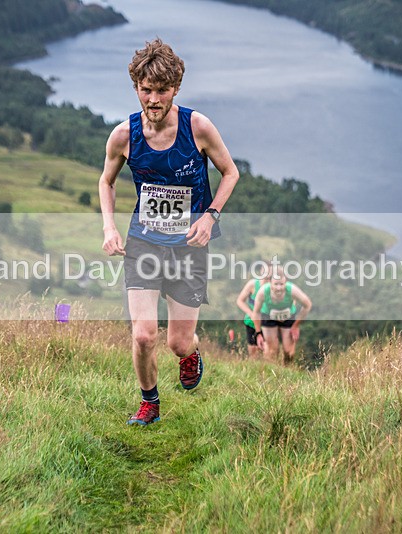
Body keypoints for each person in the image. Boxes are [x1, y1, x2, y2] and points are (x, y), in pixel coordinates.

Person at [98, 38, 240, 425]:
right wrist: (109, 226)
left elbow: (230, 173)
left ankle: (190, 353)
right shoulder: (124, 136)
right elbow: (106, 181)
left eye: (162, 90)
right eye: (146, 90)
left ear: (175, 88)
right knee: (144, 335)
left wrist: (210, 216)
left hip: (189, 246)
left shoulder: (198, 127)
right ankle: (149, 403)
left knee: (177, 342)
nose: (154, 99)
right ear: (136, 88)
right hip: (144, 242)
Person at [252, 266, 312, 364]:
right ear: (270, 282)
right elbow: (256, 312)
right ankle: (271, 370)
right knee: (272, 350)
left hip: (288, 317)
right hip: (268, 317)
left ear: (286, 282)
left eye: (281, 284)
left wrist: (296, 325)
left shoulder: (292, 290)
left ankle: (287, 370)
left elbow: (307, 305)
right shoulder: (263, 292)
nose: (279, 288)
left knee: (289, 352)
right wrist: (258, 333)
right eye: (276, 284)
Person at [235, 262, 271, 359]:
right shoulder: (253, 284)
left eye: (269, 272)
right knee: (253, 353)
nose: (266, 275)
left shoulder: (273, 287)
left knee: (268, 352)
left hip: (267, 323)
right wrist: (251, 313)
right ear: (261, 271)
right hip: (251, 322)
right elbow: (240, 300)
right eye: (264, 271)